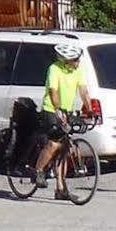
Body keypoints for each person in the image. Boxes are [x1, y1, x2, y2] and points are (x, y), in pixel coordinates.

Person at [34, 39, 92, 190]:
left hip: (67, 110)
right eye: (75, 60)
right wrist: (58, 109)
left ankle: (61, 188)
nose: (78, 62)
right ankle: (38, 170)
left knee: (65, 149)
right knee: (54, 143)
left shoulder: (78, 70)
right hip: (51, 110)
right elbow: (53, 91)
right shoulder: (54, 69)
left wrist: (90, 109)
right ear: (67, 60)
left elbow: (84, 91)